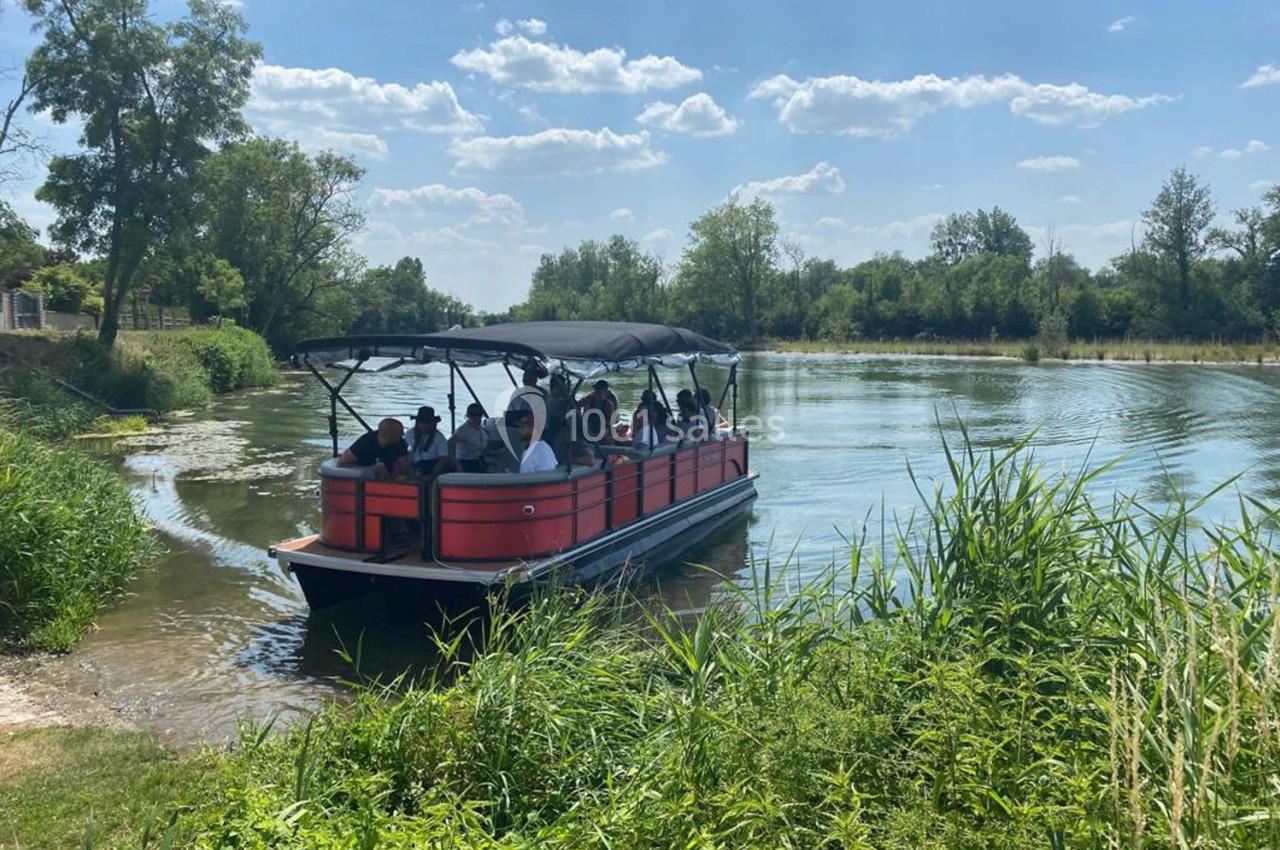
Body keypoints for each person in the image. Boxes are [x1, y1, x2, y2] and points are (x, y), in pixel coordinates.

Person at [338, 417, 409, 480]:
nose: (402, 435)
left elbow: (404, 466)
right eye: (400, 433)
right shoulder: (365, 442)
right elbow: (342, 463)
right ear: (386, 434)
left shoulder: (400, 444)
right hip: (363, 479)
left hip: (387, 479)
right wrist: (368, 470)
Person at [406, 405, 451, 477]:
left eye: (427, 423)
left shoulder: (439, 437)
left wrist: (432, 474)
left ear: (433, 423)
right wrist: (410, 470)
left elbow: (443, 459)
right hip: (413, 465)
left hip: (432, 465)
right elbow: (403, 451)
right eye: (422, 423)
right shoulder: (410, 433)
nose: (424, 426)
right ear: (417, 423)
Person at [448, 402, 488, 473]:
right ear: (468, 416)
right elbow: (450, 444)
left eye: (479, 415)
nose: (476, 418)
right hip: (465, 462)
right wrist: (456, 464)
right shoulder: (463, 430)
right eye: (473, 415)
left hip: (479, 460)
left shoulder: (482, 429)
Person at [578, 378, 619, 443]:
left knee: (604, 434)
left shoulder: (609, 404)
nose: (596, 392)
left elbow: (610, 422)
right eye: (596, 390)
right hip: (590, 424)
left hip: (603, 426)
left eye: (599, 390)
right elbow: (578, 404)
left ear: (605, 391)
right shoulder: (590, 398)